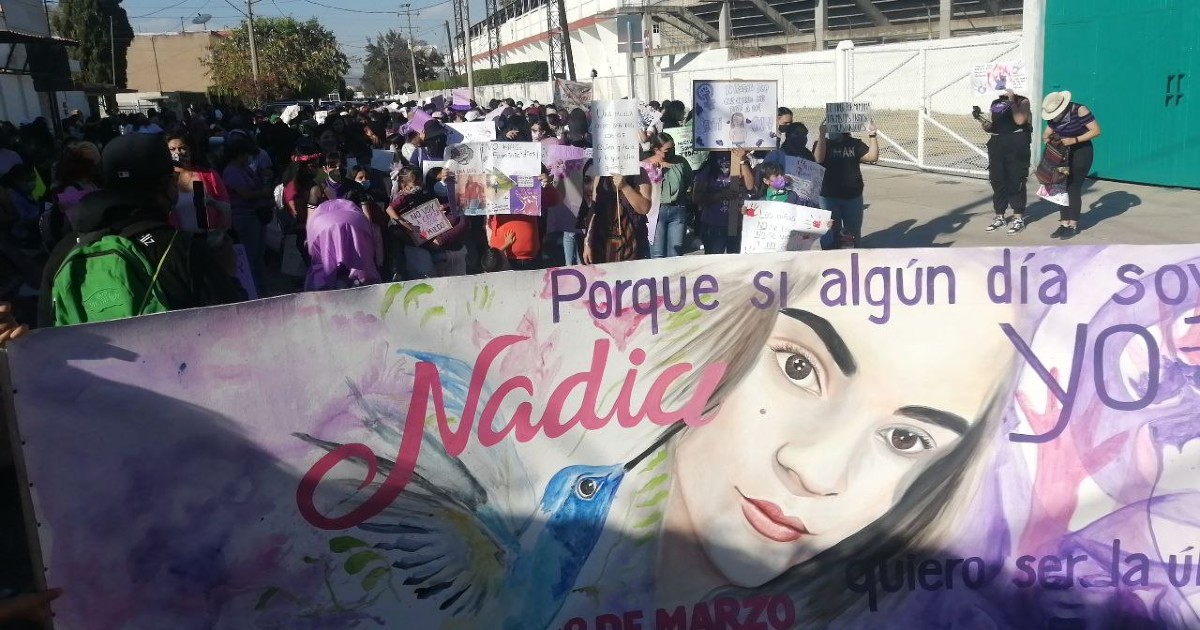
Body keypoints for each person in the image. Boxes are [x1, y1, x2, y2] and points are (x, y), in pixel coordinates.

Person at [37, 133, 246, 327]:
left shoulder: (65, 251)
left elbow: (46, 330)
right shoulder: (182, 249)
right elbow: (235, 325)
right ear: (166, 185)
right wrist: (229, 274)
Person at [1042, 91, 1101, 239]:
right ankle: (1064, 223)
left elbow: (1096, 131)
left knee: (1073, 187)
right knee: (1061, 185)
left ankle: (1073, 224)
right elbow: (1047, 132)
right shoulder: (1053, 117)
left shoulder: (1079, 110)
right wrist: (1047, 138)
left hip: (1081, 151)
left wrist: (1073, 140)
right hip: (1062, 154)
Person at [813, 119, 879, 249]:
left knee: (853, 232)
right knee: (830, 232)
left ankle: (852, 260)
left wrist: (872, 135)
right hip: (828, 197)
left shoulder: (854, 144)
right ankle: (831, 260)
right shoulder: (823, 143)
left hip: (852, 197)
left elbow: (872, 157)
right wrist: (821, 135)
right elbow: (818, 159)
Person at [222, 137, 274, 295]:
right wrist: (262, 193)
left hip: (257, 216)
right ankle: (253, 292)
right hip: (244, 217)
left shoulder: (246, 169)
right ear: (240, 154)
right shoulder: (231, 172)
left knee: (259, 257)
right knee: (250, 257)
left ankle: (263, 291)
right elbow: (245, 194)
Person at [976, 89, 1032, 235]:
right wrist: (980, 118)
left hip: (1016, 142)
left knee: (1016, 179)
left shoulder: (1022, 101)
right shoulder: (995, 103)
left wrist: (1012, 100)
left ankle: (1018, 217)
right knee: (997, 179)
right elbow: (991, 127)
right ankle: (999, 216)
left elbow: (1020, 120)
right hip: (997, 143)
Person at [304, 195, 381, 291]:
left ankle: (322, 286)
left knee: (324, 261)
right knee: (360, 258)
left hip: (323, 226)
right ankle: (364, 281)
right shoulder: (351, 201)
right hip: (355, 222)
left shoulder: (319, 206)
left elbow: (313, 246)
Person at [583, 171, 653, 264]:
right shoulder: (600, 176)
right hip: (604, 244)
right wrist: (587, 243)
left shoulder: (639, 173)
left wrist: (625, 187)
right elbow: (593, 211)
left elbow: (644, 209)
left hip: (632, 245)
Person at [166, 134, 231, 234]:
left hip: (208, 240)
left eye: (182, 148)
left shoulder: (210, 175)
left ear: (191, 150)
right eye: (172, 149)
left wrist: (218, 233)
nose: (177, 152)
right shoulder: (164, 181)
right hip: (179, 242)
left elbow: (225, 208)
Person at [693, 149, 754, 255]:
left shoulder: (741, 162)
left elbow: (750, 186)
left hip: (737, 224)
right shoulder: (709, 167)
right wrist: (720, 196)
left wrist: (743, 160)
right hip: (714, 224)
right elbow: (696, 197)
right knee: (714, 264)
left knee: (735, 264)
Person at [643, 133, 693, 259]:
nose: (672, 151)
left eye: (673, 148)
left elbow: (688, 181)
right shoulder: (644, 165)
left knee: (675, 255)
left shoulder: (680, 162)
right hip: (655, 212)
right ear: (656, 150)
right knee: (657, 255)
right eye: (667, 150)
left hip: (677, 210)